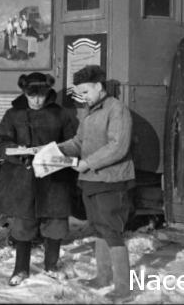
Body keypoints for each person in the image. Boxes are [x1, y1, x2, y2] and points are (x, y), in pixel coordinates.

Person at [0, 72, 78, 286]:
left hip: (54, 178)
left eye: (41, 96)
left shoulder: (61, 115)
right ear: (25, 93)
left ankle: (51, 265)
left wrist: (57, 153)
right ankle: (20, 269)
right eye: (32, 96)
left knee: (55, 223)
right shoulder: (13, 114)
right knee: (22, 225)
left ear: (48, 93)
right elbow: (1, 142)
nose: (37, 101)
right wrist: (17, 151)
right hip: (23, 178)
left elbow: (73, 143)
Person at [57, 65, 135, 300]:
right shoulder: (90, 111)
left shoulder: (117, 110)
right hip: (91, 180)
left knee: (112, 231)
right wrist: (54, 151)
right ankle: (103, 277)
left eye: (85, 91)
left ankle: (123, 289)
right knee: (99, 229)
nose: (82, 97)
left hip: (111, 180)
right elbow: (78, 142)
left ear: (99, 87)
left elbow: (117, 146)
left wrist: (87, 162)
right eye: (79, 92)